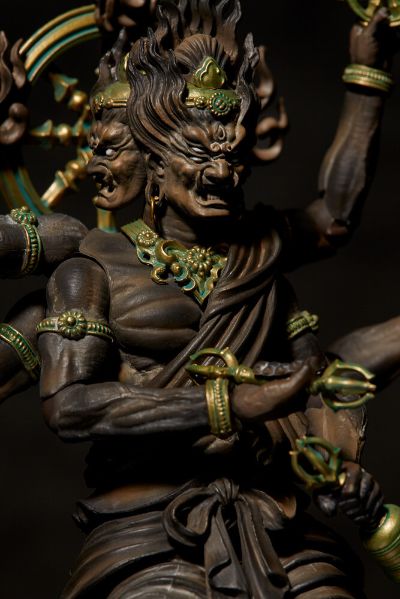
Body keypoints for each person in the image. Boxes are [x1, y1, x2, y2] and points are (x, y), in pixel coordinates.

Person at [28, 2, 398, 597]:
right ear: (153, 161)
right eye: (200, 154)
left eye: (232, 155)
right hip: (145, 522)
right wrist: (225, 403)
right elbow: (69, 406)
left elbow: (318, 373)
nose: (223, 172)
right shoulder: (94, 268)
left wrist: (340, 468)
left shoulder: (262, 260)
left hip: (274, 517)